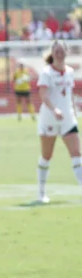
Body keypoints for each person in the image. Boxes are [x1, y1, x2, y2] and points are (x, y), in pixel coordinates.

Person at [35, 40, 82, 203]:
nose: (60, 54)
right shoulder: (46, 73)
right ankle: (41, 192)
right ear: (52, 53)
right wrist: (54, 110)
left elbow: (68, 94)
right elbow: (43, 95)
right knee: (47, 156)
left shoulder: (69, 71)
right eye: (57, 51)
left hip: (68, 119)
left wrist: (74, 112)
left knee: (77, 155)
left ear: (66, 53)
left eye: (62, 51)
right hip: (49, 119)